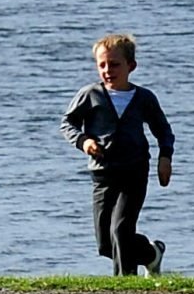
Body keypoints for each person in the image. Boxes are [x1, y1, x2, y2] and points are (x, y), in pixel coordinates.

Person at [62, 32, 175, 277]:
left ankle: (126, 284)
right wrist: (84, 141)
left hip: (134, 171)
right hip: (103, 174)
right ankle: (151, 254)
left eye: (114, 64)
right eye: (102, 65)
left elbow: (163, 130)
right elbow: (67, 124)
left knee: (121, 230)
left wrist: (165, 158)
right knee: (106, 243)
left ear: (130, 66)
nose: (107, 70)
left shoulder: (144, 98)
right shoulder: (90, 95)